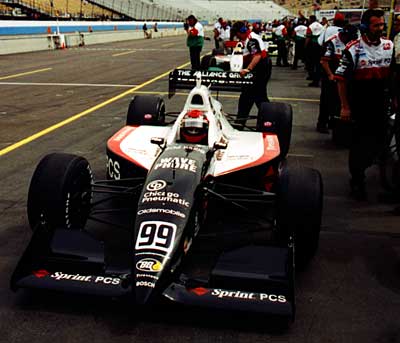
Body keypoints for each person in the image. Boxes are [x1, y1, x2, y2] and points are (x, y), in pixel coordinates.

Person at [336, 9, 394, 200]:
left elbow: (393, 76)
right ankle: (357, 180)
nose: (381, 28)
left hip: (381, 104)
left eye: (382, 25)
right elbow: (341, 80)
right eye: (376, 25)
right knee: (359, 145)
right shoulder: (353, 49)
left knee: (381, 142)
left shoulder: (389, 46)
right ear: (364, 27)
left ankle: (374, 171)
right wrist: (345, 107)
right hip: (360, 105)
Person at [316, 24, 358, 133]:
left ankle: (334, 122)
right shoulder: (332, 42)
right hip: (330, 74)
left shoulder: (353, 42)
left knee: (339, 101)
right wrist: (330, 75)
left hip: (342, 76)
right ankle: (321, 123)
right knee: (326, 100)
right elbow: (324, 61)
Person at [231, 21, 270, 127]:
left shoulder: (252, 39)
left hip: (261, 68)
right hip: (258, 66)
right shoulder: (248, 38)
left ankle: (268, 120)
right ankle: (241, 121)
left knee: (257, 96)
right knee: (250, 95)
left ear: (242, 32)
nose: (237, 37)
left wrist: (248, 69)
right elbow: (248, 55)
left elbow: (257, 56)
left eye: (237, 34)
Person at [305, 15, 323, 86]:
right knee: (318, 64)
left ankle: (313, 78)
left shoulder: (310, 26)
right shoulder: (321, 26)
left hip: (312, 45)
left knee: (311, 63)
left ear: (311, 19)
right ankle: (318, 78)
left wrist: (305, 46)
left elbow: (308, 37)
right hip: (320, 45)